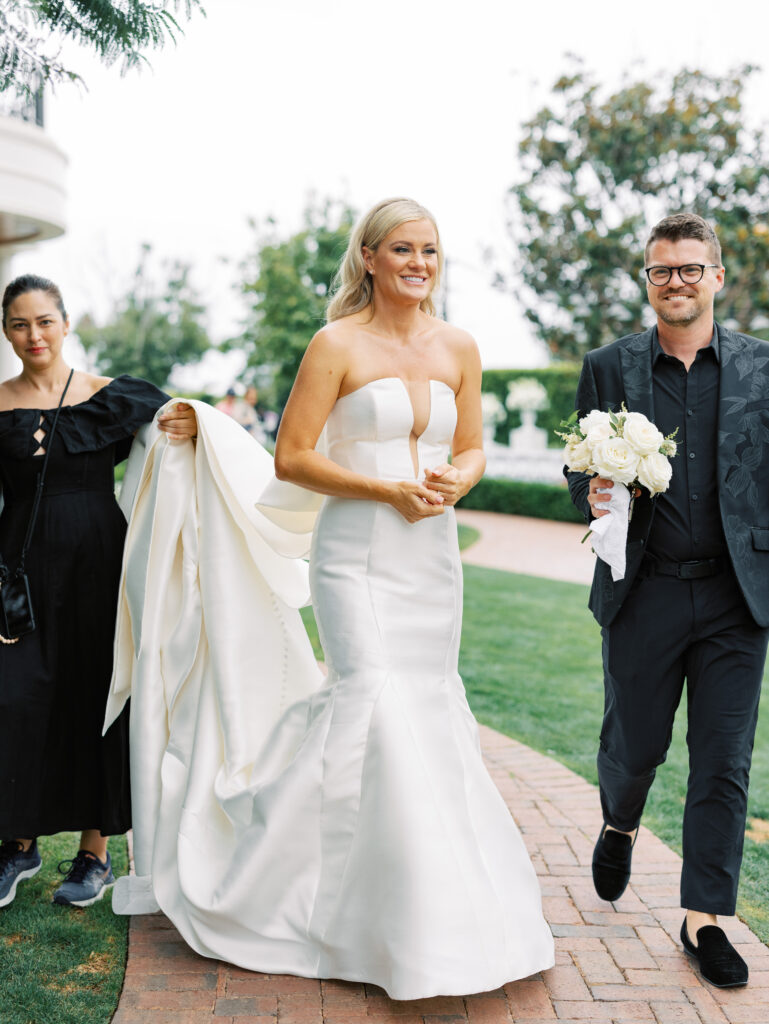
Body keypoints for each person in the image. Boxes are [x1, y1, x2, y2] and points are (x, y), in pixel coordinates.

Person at [109, 198, 553, 1000]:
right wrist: (385, 489)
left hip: (430, 554)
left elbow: (474, 444)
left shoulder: (459, 346)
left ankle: (434, 910)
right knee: (370, 703)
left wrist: (463, 475)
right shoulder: (335, 344)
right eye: (402, 249)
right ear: (371, 258)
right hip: (356, 550)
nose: (419, 262)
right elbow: (292, 457)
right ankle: (302, 899)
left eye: (429, 250)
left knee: (425, 707)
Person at [566, 213, 769, 988]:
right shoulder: (608, 367)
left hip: (735, 598)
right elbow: (577, 465)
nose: (675, 281)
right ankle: (619, 819)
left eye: (689, 268)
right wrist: (588, 490)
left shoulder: (759, 367)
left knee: (723, 759)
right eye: (660, 270)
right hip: (641, 591)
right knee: (634, 745)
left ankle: (703, 917)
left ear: (717, 277)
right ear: (646, 281)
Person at [0, 274, 196, 910]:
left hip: (98, 567)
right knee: (15, 700)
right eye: (20, 324)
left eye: (45, 322)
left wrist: (196, 430)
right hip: (18, 572)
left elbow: (181, 432)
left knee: (98, 698)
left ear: (65, 322)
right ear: (7, 331)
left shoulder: (109, 397)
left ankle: (95, 853)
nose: (34, 335)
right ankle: (19, 844)